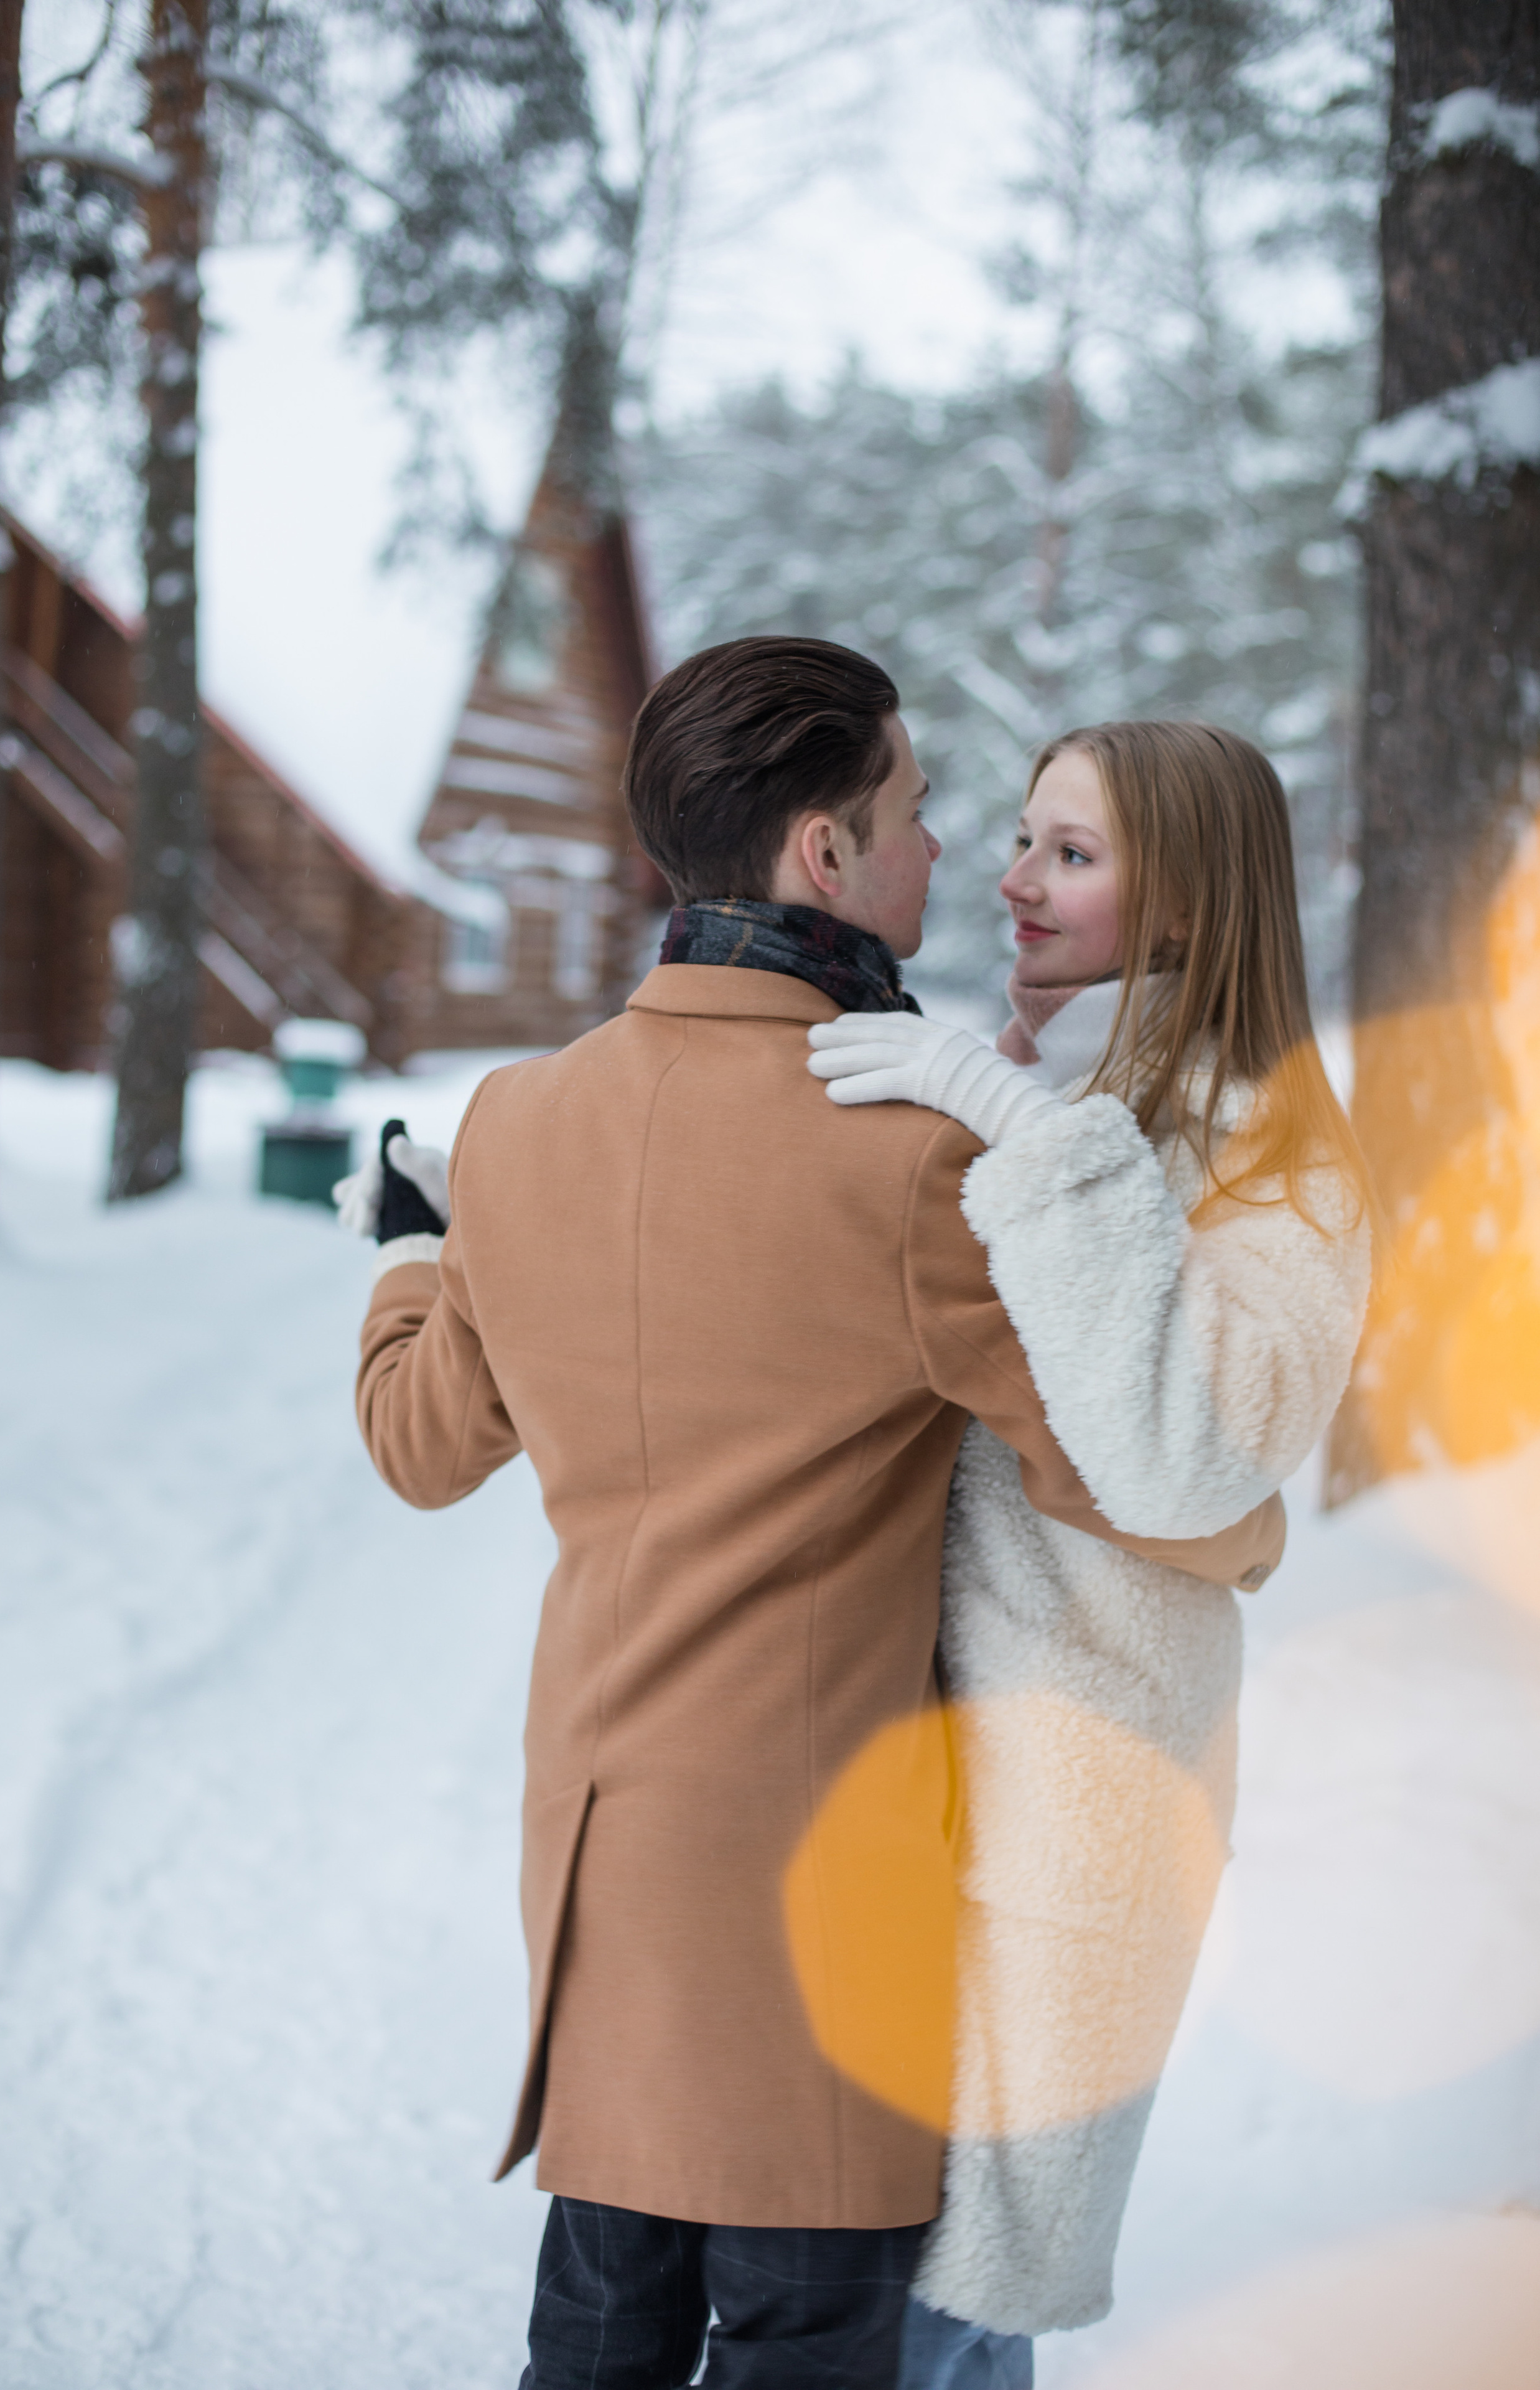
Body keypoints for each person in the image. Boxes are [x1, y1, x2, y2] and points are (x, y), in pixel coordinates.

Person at [337, 647, 1286, 2390]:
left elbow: (419, 1441)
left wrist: (410, 1251)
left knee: (598, 2337)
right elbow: (1135, 1486)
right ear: (827, 857)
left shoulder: (518, 1124)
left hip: (601, 1872)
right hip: (821, 1902)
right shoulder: (912, 1150)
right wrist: (1249, 1532)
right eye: (919, 812)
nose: (952, 857)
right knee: (804, 2350)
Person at [807, 720, 1372, 2383]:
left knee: (947, 2317)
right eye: (1022, 838)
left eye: (1073, 851)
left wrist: (1017, 1127)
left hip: (1068, 1801)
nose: (1011, 876)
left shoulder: (1278, 1158)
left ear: (1186, 897)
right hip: (888, 1763)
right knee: (842, 2288)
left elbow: (1185, 1461)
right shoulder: (1015, 1079)